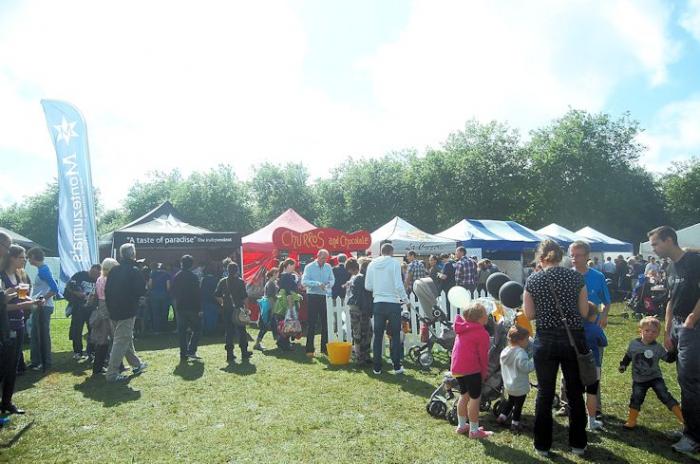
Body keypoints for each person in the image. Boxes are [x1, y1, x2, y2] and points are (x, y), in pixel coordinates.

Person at [523, 239, 589, 457]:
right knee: (575, 392)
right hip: (573, 340)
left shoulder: (533, 279)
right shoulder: (576, 277)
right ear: (561, 256)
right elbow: (584, 312)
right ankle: (578, 444)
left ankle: (542, 446)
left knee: (545, 392)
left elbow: (530, 315)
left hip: (546, 341)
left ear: (541, 258)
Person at [649, 225, 700, 453]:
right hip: (679, 326)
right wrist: (668, 328)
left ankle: (693, 437)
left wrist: (691, 318)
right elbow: (670, 300)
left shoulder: (694, 261)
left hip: (694, 327)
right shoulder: (670, 267)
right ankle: (690, 428)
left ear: (669, 240)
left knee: (690, 381)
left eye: (656, 244)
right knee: (684, 379)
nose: (654, 249)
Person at [619, 316, 683, 430]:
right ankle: (631, 420)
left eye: (654, 332)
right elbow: (628, 356)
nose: (650, 334)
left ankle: (683, 419)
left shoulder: (658, 348)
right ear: (641, 330)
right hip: (639, 380)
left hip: (655, 378)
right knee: (636, 398)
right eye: (647, 331)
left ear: (658, 334)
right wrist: (623, 365)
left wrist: (674, 350)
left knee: (665, 396)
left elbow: (668, 359)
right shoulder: (634, 344)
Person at [104, 243, 148, 382]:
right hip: (127, 310)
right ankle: (111, 373)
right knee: (121, 340)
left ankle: (136, 364)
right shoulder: (134, 270)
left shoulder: (114, 271)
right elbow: (141, 290)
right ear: (133, 254)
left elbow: (107, 290)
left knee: (126, 338)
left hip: (113, 309)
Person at [365, 243, 408, 375]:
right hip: (393, 303)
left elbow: (368, 286)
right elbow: (398, 284)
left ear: (381, 251)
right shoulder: (394, 263)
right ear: (392, 251)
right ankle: (396, 366)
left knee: (378, 336)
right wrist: (405, 299)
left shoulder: (372, 264)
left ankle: (377, 367)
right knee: (395, 335)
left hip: (378, 302)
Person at [451, 301, 492, 438]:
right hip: (471, 369)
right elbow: (483, 357)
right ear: (480, 318)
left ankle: (462, 426)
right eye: (486, 313)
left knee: (464, 396)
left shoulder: (462, 328)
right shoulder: (482, 333)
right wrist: (483, 373)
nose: (488, 315)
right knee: (475, 398)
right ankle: (474, 431)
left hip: (458, 368)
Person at [0, 242, 30, 414]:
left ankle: (7, 402)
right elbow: (3, 306)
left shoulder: (20, 276)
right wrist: (28, 304)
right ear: (12, 257)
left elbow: (22, 299)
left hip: (19, 323)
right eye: (21, 257)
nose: (24, 260)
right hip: (6, 324)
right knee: (4, 365)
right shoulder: (2, 276)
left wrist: (33, 302)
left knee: (13, 366)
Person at [26, 247, 60, 371]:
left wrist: (43, 298)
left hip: (43, 308)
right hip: (39, 307)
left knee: (42, 334)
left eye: (29, 257)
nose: (28, 259)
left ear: (34, 256)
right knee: (35, 333)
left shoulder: (44, 270)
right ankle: (36, 361)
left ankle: (45, 362)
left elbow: (55, 288)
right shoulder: (42, 269)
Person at [497, 325, 535, 433]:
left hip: (509, 384)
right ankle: (515, 423)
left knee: (510, 401)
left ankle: (502, 416)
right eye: (527, 339)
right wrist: (534, 361)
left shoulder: (505, 351)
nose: (528, 342)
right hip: (519, 385)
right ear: (520, 340)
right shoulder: (520, 353)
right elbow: (526, 368)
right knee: (518, 405)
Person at [215, 262, 252, 363]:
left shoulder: (222, 281)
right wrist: (247, 309)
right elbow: (245, 297)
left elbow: (217, 295)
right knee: (242, 331)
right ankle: (244, 352)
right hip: (238, 309)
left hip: (226, 309)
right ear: (237, 270)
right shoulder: (240, 282)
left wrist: (222, 303)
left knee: (229, 332)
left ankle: (229, 354)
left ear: (227, 270)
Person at [301, 249, 334, 357]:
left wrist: (329, 284)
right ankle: (309, 349)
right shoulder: (309, 267)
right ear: (318, 256)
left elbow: (332, 279)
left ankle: (324, 349)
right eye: (323, 258)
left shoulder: (328, 267)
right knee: (312, 323)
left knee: (325, 323)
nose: (324, 260)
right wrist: (317, 283)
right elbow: (304, 282)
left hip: (324, 296)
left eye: (326, 258)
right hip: (312, 296)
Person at [65, 264, 101, 359]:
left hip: (91, 308)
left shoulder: (99, 280)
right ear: (91, 270)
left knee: (92, 330)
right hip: (78, 308)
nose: (95, 275)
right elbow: (69, 287)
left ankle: (91, 351)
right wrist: (79, 294)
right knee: (77, 330)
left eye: (97, 274)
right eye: (93, 273)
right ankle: (78, 352)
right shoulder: (80, 275)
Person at [90, 258, 118, 376]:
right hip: (109, 307)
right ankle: (116, 365)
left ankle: (98, 366)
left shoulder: (99, 279)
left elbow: (97, 295)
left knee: (103, 338)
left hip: (101, 307)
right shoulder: (110, 280)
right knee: (115, 337)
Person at [172, 255, 203, 361]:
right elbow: (198, 294)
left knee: (182, 332)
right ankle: (191, 350)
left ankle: (183, 353)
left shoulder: (177, 276)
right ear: (191, 265)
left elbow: (173, 291)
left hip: (181, 307)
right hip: (192, 307)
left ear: (182, 263)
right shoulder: (194, 277)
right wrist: (200, 308)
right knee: (197, 329)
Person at [583, 303, 607, 431]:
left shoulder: (575, 327)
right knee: (591, 393)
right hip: (593, 364)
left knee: (576, 393)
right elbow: (604, 342)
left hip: (577, 364)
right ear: (593, 316)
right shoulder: (595, 328)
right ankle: (591, 421)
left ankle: (576, 419)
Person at [346, 258, 372, 365]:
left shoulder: (356, 278)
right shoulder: (361, 278)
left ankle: (362, 356)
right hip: (360, 307)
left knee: (362, 332)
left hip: (357, 307)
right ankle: (361, 357)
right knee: (362, 332)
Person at [277, 258, 300, 351]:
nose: (294, 267)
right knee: (288, 323)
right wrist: (290, 305)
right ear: (289, 265)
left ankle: (283, 342)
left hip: (285, 301)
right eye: (293, 265)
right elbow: (287, 291)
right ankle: (284, 344)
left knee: (286, 323)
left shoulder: (284, 275)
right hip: (288, 302)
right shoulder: (286, 276)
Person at [254, 268, 279, 351]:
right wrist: (272, 310)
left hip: (270, 306)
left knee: (274, 326)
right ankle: (257, 344)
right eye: (277, 273)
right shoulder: (270, 284)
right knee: (264, 327)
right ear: (273, 274)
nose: (278, 274)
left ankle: (279, 342)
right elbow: (270, 297)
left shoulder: (272, 283)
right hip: (269, 307)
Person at [147, 263, 171, 333]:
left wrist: (151, 291)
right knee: (164, 312)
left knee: (155, 313)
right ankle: (164, 329)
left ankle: (156, 330)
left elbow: (150, 284)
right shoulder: (167, 274)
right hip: (164, 296)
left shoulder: (153, 274)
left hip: (154, 295)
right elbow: (168, 286)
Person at [200, 263, 219, 334]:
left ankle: (205, 331)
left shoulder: (204, 279)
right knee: (213, 316)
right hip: (213, 300)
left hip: (205, 300)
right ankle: (212, 330)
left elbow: (201, 290)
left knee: (205, 316)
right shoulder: (216, 280)